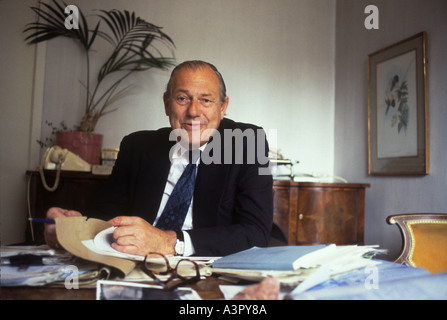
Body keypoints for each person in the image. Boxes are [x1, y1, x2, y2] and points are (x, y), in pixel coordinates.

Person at [44, 60, 273, 257]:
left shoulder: (247, 143)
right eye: (182, 98)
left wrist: (168, 242)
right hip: (133, 264)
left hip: (205, 269)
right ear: (166, 103)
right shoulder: (137, 146)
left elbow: (256, 232)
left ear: (223, 107)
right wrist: (74, 229)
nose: (193, 111)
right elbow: (108, 217)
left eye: (206, 100)